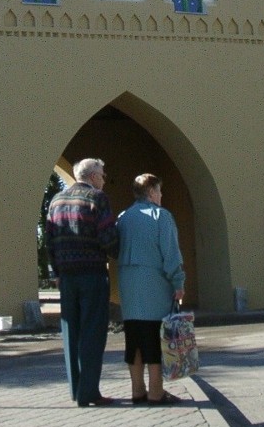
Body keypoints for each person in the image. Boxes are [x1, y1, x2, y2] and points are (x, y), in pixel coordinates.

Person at [45, 158, 119, 407]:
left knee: (71, 333)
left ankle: (76, 390)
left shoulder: (56, 201)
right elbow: (108, 237)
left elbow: (50, 239)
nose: (104, 178)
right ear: (93, 176)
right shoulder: (97, 199)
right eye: (103, 174)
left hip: (66, 276)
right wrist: (118, 251)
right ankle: (90, 392)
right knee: (93, 332)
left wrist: (56, 271)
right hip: (92, 274)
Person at [117, 173, 185, 405]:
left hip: (128, 288)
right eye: (160, 191)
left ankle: (138, 390)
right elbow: (171, 255)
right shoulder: (161, 216)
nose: (161, 195)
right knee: (155, 339)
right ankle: (156, 392)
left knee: (134, 339)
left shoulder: (123, 217)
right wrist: (178, 282)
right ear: (152, 192)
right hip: (154, 287)